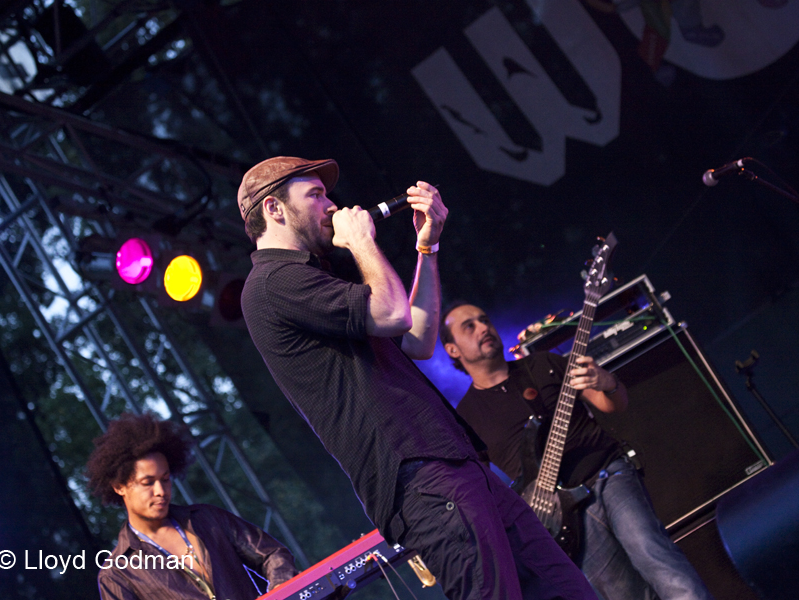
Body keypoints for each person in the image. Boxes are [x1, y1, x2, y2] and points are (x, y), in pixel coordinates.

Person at [238, 156, 597, 600]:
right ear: (274, 209)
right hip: (419, 477)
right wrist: (362, 243)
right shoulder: (272, 283)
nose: (331, 206)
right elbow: (390, 311)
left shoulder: (312, 276)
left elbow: (418, 339)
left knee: (569, 591)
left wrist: (427, 248)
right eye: (315, 195)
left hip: (454, 462)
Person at [441, 303, 715, 600]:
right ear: (453, 350)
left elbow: (613, 404)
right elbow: (485, 489)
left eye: (484, 320)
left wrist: (607, 382)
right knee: (624, 594)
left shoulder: (542, 364)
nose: (483, 328)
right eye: (469, 326)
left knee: (658, 561)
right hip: (560, 518)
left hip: (607, 473)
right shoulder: (465, 417)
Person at [86, 413, 298, 600]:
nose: (161, 490)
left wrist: (280, 592)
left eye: (166, 479)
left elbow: (272, 554)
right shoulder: (117, 574)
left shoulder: (207, 518)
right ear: (119, 486)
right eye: (148, 482)